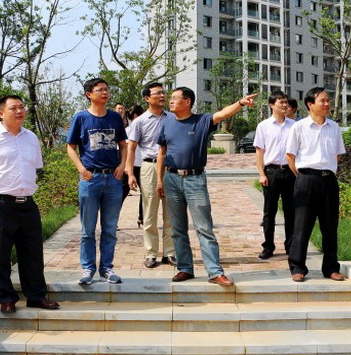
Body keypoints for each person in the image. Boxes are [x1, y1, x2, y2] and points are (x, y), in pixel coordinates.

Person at [0, 95, 59, 313]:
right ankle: (7, 299)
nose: (19, 111)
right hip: (0, 205)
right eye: (13, 108)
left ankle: (36, 296)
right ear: (1, 113)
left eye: (22, 107)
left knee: (33, 253)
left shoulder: (31, 138)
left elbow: (35, 166)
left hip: (28, 204)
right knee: (1, 254)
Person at [157, 87, 257, 286]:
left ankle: (214, 272)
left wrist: (240, 103)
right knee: (177, 228)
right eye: (171, 98)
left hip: (195, 179)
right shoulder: (167, 122)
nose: (170, 101)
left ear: (187, 102)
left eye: (175, 98)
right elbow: (162, 152)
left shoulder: (202, 121)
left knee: (204, 228)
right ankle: (185, 268)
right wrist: (160, 180)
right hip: (171, 179)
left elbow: (223, 114)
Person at [67, 78, 128, 285]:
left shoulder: (115, 117)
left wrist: (122, 165)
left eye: (106, 89)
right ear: (89, 94)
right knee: (88, 230)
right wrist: (81, 169)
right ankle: (88, 269)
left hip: (112, 179)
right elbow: (70, 147)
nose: (104, 93)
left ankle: (106, 268)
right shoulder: (81, 118)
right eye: (100, 90)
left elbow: (123, 145)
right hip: (90, 179)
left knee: (110, 228)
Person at [285, 87, 346, 283]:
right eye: (323, 101)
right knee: (301, 226)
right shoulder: (299, 127)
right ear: (310, 104)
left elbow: (338, 155)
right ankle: (297, 267)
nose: (327, 104)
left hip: (328, 180)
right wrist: (303, 176)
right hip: (306, 180)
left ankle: (331, 268)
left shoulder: (334, 127)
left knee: (330, 226)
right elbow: (290, 156)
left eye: (328, 100)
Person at [126, 82, 175, 269]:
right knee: (149, 212)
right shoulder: (139, 122)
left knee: (171, 212)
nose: (162, 96)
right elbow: (131, 149)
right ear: (147, 98)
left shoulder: (172, 118)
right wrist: (130, 173)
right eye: (158, 93)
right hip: (149, 167)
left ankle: (170, 253)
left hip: (171, 168)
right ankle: (151, 253)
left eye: (163, 93)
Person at [254, 91, 295, 260]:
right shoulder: (263, 126)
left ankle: (291, 246)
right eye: (281, 102)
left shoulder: (294, 126)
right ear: (272, 105)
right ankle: (268, 246)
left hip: (290, 172)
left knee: (291, 212)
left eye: (286, 102)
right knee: (269, 212)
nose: (285, 105)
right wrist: (261, 174)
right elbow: (259, 152)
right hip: (271, 172)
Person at [125, 104, 145, 228]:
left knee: (121, 194)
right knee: (145, 193)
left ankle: (142, 218)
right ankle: (141, 218)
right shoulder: (134, 129)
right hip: (138, 165)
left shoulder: (127, 130)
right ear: (137, 116)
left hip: (132, 166)